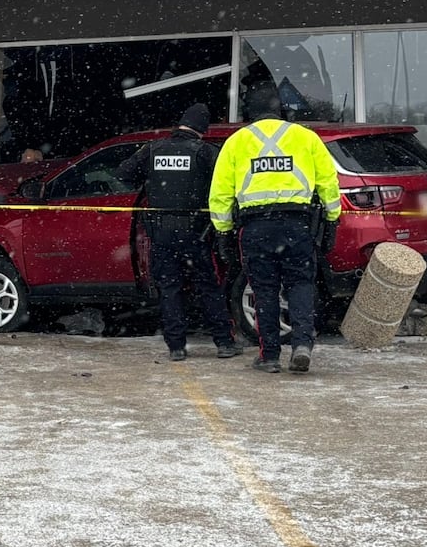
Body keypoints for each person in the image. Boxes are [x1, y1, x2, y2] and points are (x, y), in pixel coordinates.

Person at [209, 85, 341, 374]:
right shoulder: (306, 138)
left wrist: (222, 231)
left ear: (250, 112)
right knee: (300, 284)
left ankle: (269, 355)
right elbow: (329, 183)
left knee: (264, 290)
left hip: (256, 228)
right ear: (281, 109)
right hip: (298, 225)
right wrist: (332, 220)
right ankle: (302, 344)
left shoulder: (236, 141)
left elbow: (220, 193)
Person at [116, 103, 240, 361]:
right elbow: (229, 182)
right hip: (196, 232)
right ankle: (224, 343)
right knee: (208, 286)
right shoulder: (206, 152)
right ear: (202, 129)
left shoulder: (152, 149)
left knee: (169, 289)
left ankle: (176, 346)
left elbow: (123, 174)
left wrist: (149, 178)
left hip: (161, 233)